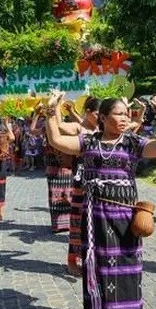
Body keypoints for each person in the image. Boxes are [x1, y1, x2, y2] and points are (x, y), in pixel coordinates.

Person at [45, 91, 156, 309]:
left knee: (126, 266)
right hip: (95, 216)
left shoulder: (132, 142)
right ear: (103, 117)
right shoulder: (89, 141)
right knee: (100, 266)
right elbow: (58, 141)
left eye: (126, 114)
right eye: (118, 114)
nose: (124, 118)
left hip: (124, 217)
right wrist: (52, 111)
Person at [50, 96, 101, 276]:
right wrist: (55, 107)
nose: (100, 116)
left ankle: (94, 259)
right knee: (77, 223)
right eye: (97, 113)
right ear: (88, 113)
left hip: (100, 183)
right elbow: (59, 127)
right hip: (81, 181)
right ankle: (72, 262)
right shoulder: (79, 127)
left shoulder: (101, 128)